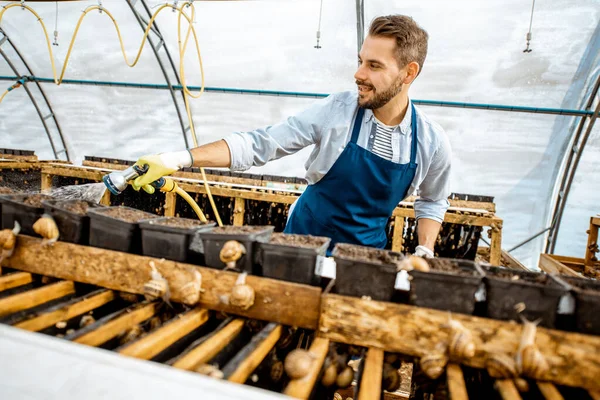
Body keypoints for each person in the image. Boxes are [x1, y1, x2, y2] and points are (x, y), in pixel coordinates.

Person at [132, 15, 452, 257]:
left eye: (374, 65)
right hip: (301, 243)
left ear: (409, 73)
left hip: (363, 259)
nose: (358, 74)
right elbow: (262, 144)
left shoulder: (430, 143)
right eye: (359, 61)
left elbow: (433, 200)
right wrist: (178, 158)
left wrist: (424, 250)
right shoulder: (338, 112)